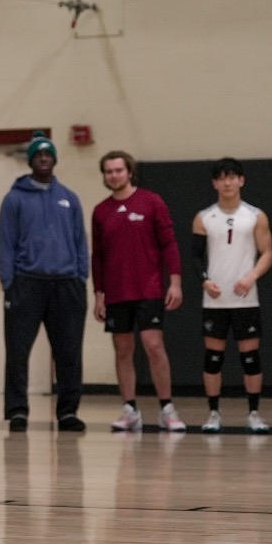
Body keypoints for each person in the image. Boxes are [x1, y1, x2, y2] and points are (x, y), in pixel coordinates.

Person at [0, 135, 90, 433]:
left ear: (54, 160)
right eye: (38, 155)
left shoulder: (69, 198)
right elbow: (6, 244)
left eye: (48, 154)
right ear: (31, 161)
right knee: (17, 351)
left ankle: (67, 412)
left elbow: (80, 241)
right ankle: (17, 412)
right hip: (27, 283)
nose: (43, 158)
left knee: (69, 352)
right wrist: (9, 283)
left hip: (67, 285)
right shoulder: (14, 198)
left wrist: (81, 276)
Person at [90, 150, 186, 433]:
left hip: (148, 289)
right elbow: (98, 256)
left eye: (118, 170)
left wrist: (176, 282)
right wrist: (99, 294)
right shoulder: (100, 211)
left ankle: (167, 408)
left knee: (153, 346)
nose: (114, 175)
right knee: (122, 349)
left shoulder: (151, 202)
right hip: (117, 293)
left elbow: (169, 243)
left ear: (129, 172)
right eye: (109, 171)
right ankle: (130, 410)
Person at [193, 158, 272, 433]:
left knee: (250, 357)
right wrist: (205, 281)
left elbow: (268, 253)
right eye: (222, 178)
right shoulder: (204, 217)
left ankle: (254, 413)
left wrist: (251, 277)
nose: (227, 182)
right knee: (213, 358)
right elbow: (195, 257)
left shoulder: (255, 216)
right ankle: (213, 414)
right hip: (215, 301)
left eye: (233, 177)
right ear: (215, 183)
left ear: (242, 180)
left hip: (245, 299)